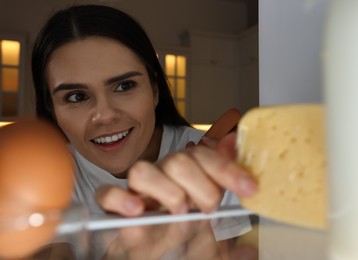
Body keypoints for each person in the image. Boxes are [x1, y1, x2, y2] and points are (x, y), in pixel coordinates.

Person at [32, 4, 256, 222]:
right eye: (77, 97)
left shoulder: (210, 161)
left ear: (155, 91)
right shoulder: (42, 175)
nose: (105, 115)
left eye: (124, 86)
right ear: (52, 109)